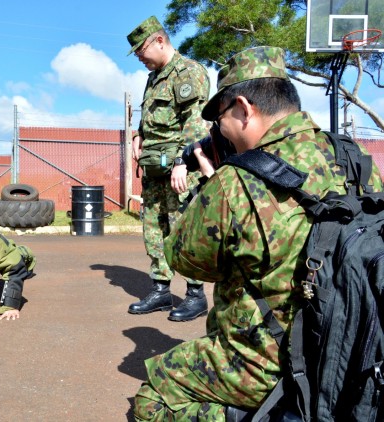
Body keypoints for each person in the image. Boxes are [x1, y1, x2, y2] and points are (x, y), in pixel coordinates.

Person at [133, 46, 383, 420]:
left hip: (269, 357)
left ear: (243, 108)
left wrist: (211, 178)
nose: (219, 130)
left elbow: (186, 259)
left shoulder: (237, 180)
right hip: (352, 344)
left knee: (152, 397)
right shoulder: (354, 157)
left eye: (220, 118)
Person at [126, 16, 211, 321]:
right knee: (153, 229)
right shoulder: (153, 78)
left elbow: (196, 122)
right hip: (154, 168)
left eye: (141, 50)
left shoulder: (190, 72)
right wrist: (138, 138)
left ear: (159, 41)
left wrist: (181, 162)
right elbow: (149, 119)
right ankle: (161, 290)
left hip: (179, 168)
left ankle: (195, 294)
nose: (139, 57)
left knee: (183, 229)